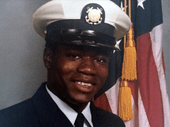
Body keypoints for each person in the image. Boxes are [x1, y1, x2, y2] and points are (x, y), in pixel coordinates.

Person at [0, 0, 131, 126]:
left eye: (100, 59)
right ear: (48, 58)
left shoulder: (113, 124)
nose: (88, 69)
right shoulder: (8, 122)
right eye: (75, 55)